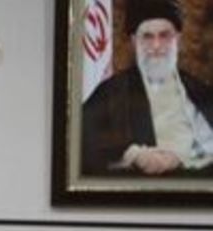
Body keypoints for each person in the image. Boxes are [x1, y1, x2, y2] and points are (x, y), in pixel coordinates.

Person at [82, 0, 213, 175]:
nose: (156, 46)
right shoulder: (112, 92)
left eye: (164, 35)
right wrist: (132, 154)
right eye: (147, 37)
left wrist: (184, 159)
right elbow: (81, 137)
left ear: (178, 39)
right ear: (134, 41)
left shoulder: (201, 92)